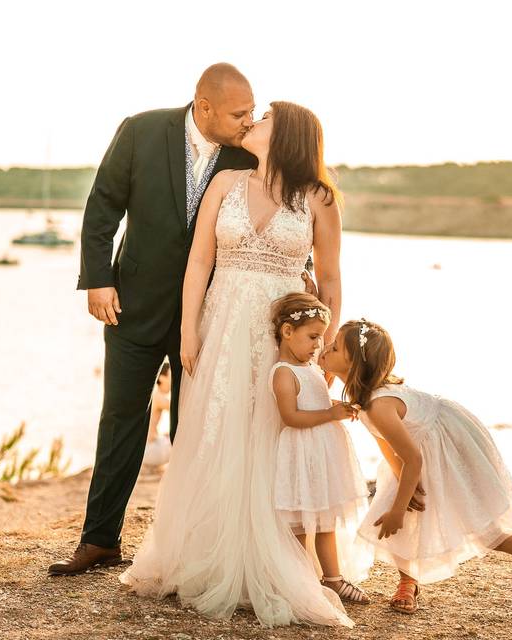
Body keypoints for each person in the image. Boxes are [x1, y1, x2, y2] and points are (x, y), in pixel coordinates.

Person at [120, 102, 351, 628]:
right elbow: (199, 260)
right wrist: (186, 330)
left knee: (273, 435)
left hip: (282, 332)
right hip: (221, 324)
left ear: (287, 131)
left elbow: (332, 278)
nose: (251, 122)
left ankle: (278, 562)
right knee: (217, 432)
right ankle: (213, 553)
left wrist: (323, 345)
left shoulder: (318, 197)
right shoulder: (225, 182)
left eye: (263, 115)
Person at [49, 63, 258, 576]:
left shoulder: (249, 149)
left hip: (209, 316)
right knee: (121, 417)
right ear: (203, 106)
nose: (248, 120)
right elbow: (102, 208)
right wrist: (98, 279)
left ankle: (192, 550)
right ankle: (100, 540)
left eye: (251, 111)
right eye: (238, 112)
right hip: (132, 306)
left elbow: (276, 206)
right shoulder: (141, 130)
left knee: (198, 428)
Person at [318, 319, 512, 614]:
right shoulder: (366, 401)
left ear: (355, 364)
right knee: (401, 503)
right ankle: (407, 581)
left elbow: (414, 458)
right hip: (423, 451)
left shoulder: (380, 405)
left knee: (489, 530)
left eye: (334, 348)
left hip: (448, 452)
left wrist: (397, 509)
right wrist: (403, 488)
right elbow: (388, 446)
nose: (325, 348)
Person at [267, 292, 372, 604]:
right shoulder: (283, 372)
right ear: (287, 332)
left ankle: (334, 578)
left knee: (326, 520)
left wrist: (337, 406)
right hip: (300, 454)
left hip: (321, 455)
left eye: (322, 338)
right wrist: (330, 414)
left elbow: (317, 401)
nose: (318, 345)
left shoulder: (310, 367)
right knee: (300, 523)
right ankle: (304, 579)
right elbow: (290, 417)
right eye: (313, 337)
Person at [141, 362, 173, 477]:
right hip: (148, 451)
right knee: (183, 443)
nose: (173, 381)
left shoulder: (153, 393)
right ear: (161, 378)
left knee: (168, 437)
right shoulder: (158, 396)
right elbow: (178, 411)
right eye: (171, 376)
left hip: (146, 448)